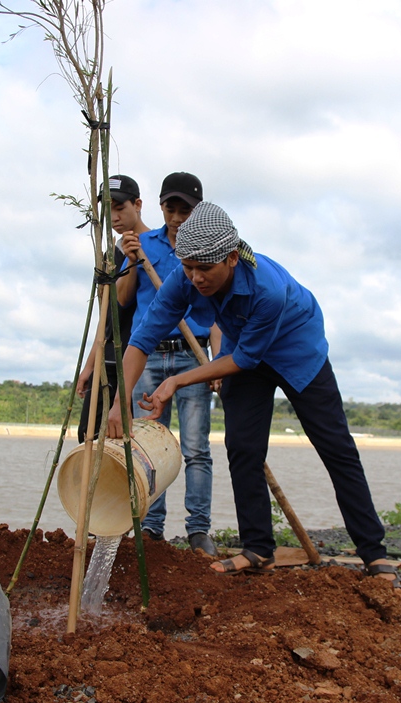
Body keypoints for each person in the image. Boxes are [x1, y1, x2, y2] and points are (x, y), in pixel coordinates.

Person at [108, 201, 401, 594]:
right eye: (189, 267)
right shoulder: (186, 276)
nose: (195, 278)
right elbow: (143, 337)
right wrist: (119, 401)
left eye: (205, 269)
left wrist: (177, 381)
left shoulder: (268, 289)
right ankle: (258, 548)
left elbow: (245, 359)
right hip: (241, 348)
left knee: (336, 448)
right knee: (243, 447)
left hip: (296, 349)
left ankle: (373, 552)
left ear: (231, 258)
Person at [115, 172, 220, 557]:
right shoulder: (141, 244)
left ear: (198, 211)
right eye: (170, 208)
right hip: (149, 353)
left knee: (196, 448)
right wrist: (129, 262)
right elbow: (124, 302)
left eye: (185, 210)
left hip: (192, 355)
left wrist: (216, 361)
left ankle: (198, 530)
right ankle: (151, 528)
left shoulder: (210, 248)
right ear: (160, 208)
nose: (177, 217)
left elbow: (218, 317)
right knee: (147, 445)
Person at [75, 175, 145, 442]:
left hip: (136, 361)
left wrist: (132, 260)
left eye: (120, 208)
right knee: (89, 436)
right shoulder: (109, 256)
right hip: (106, 359)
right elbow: (105, 317)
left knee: (129, 442)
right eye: (109, 210)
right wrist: (89, 366)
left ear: (137, 205)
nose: (114, 217)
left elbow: (125, 301)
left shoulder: (154, 248)